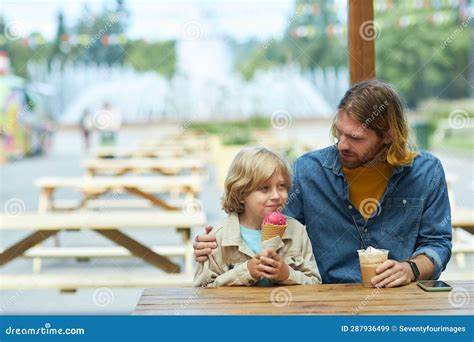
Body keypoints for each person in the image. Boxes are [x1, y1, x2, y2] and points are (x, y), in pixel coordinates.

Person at [194, 80, 452, 288]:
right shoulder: (308, 172)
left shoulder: (426, 173)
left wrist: (411, 268)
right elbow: (270, 227)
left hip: (400, 299)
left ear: (387, 136)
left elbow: (438, 243)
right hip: (322, 299)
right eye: (339, 132)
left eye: (355, 137)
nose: (342, 145)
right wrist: (217, 243)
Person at [194, 146, 321, 287]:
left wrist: (287, 275)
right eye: (264, 188)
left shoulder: (297, 231)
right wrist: (246, 272)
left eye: (281, 186)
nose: (276, 196)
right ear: (241, 193)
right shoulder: (218, 238)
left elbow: (314, 282)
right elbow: (203, 290)